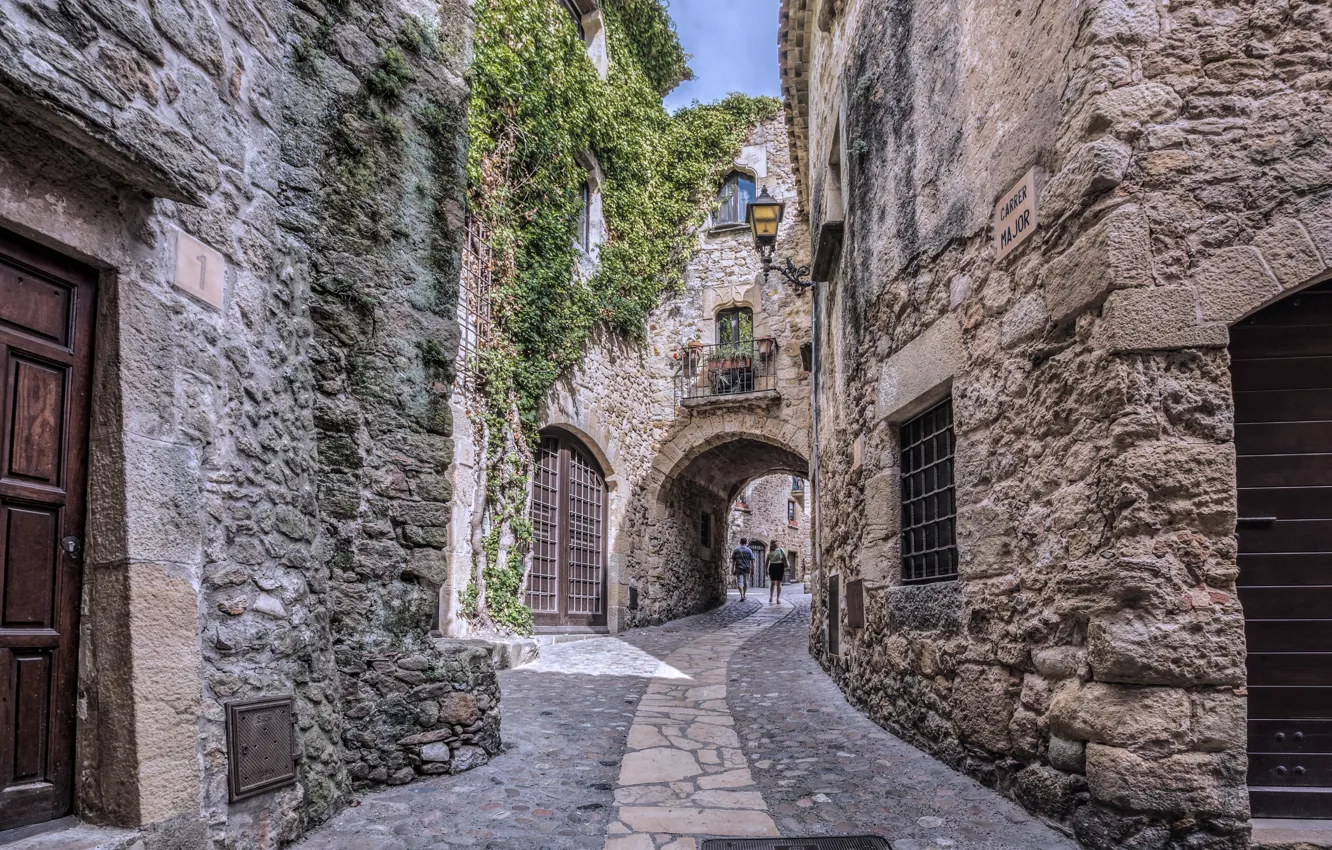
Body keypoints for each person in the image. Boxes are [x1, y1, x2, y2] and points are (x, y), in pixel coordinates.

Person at [767, 539, 788, 605]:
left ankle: (771, 597)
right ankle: (778, 599)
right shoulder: (781, 550)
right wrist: (786, 566)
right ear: (776, 543)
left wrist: (766, 570)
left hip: (772, 566)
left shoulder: (769, 552)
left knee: (772, 583)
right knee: (779, 584)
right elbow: (785, 558)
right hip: (779, 566)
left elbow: (766, 562)